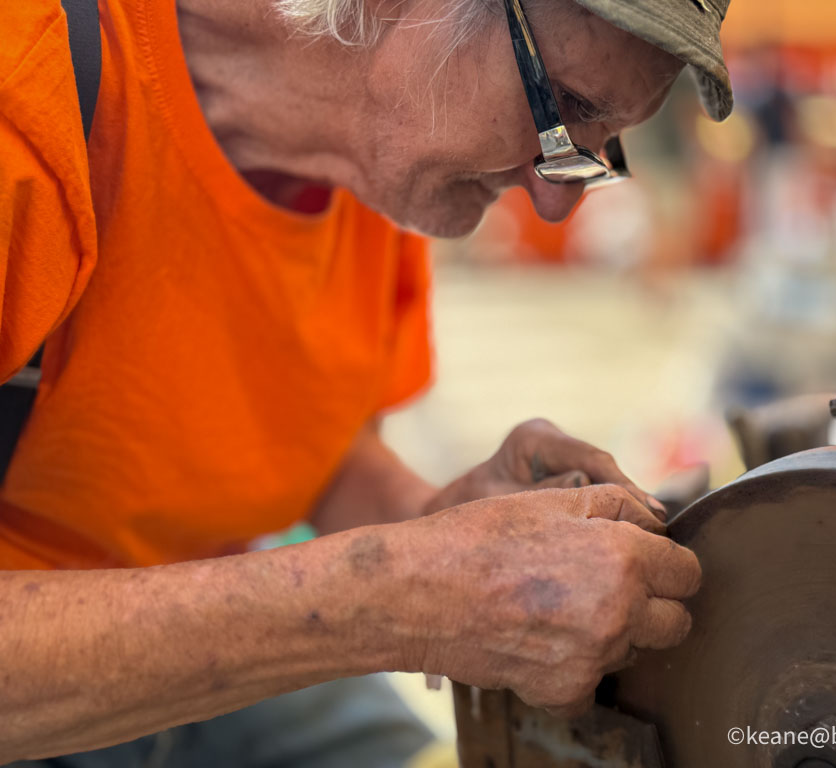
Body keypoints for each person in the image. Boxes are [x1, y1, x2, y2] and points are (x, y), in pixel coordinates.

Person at [0, 0, 732, 763]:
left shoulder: (379, 149)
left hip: (209, 646)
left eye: (603, 146)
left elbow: (305, 439)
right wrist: (396, 597)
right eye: (568, 107)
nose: (556, 202)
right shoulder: (30, 86)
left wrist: (433, 520)